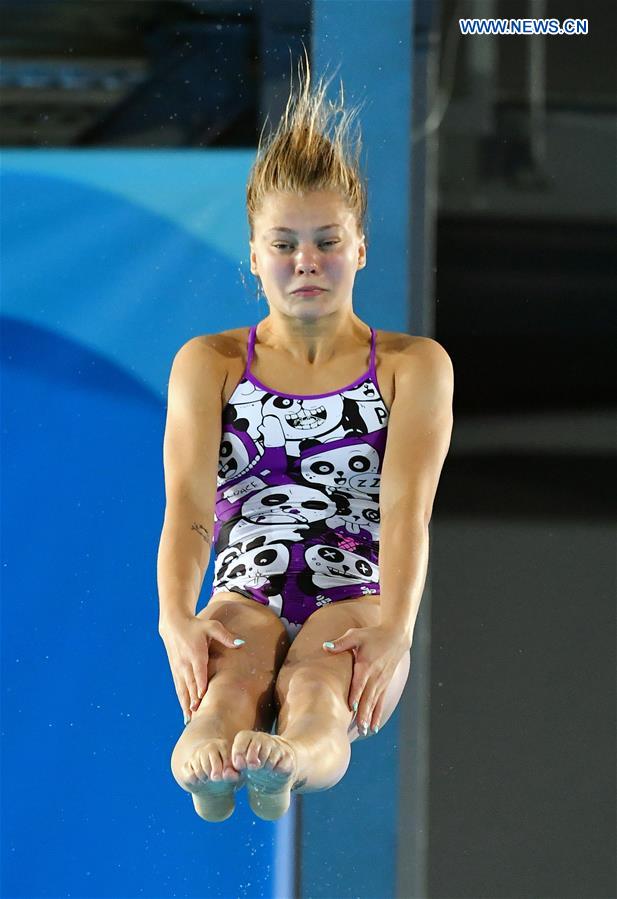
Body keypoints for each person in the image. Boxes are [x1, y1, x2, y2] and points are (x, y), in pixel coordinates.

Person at [157, 50, 454, 823]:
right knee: (233, 679)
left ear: (361, 246)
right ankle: (208, 756)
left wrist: (395, 629)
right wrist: (175, 616)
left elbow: (405, 510)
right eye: (284, 243)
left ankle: (289, 763)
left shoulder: (411, 366)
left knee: (318, 687)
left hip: (355, 578)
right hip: (248, 572)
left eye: (327, 240)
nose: (307, 261)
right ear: (254, 257)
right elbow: (188, 508)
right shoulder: (210, 363)